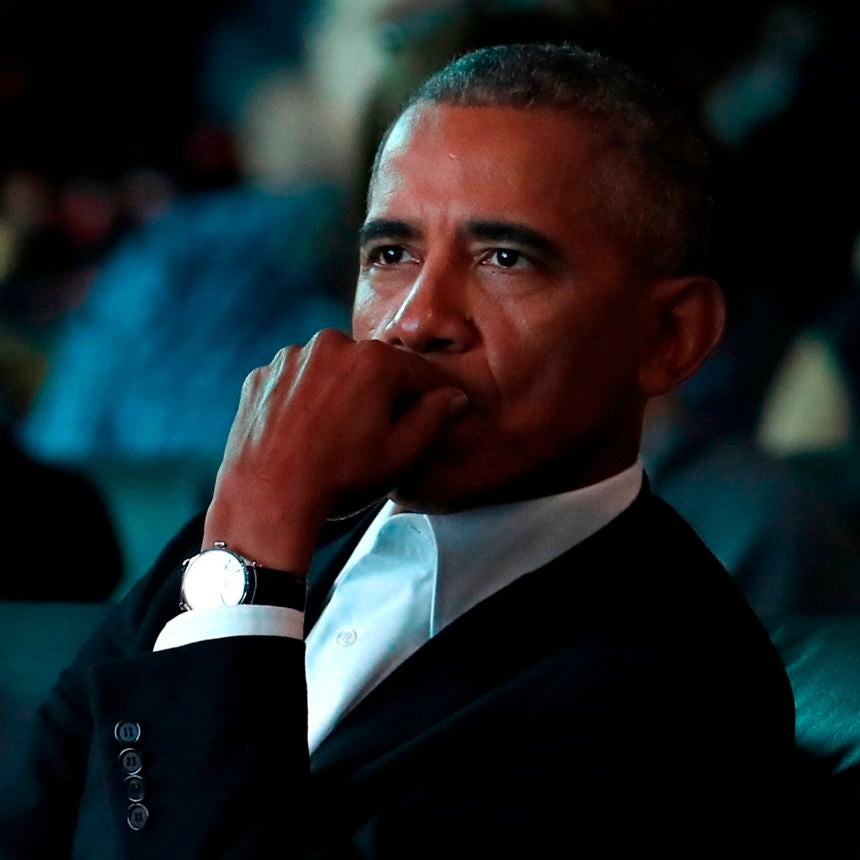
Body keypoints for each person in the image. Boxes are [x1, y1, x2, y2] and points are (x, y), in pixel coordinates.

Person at [0, 44, 796, 857]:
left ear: (671, 336)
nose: (417, 319)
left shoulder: (683, 686)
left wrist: (254, 547)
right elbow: (37, 811)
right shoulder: (277, 523)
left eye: (505, 259)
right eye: (391, 255)